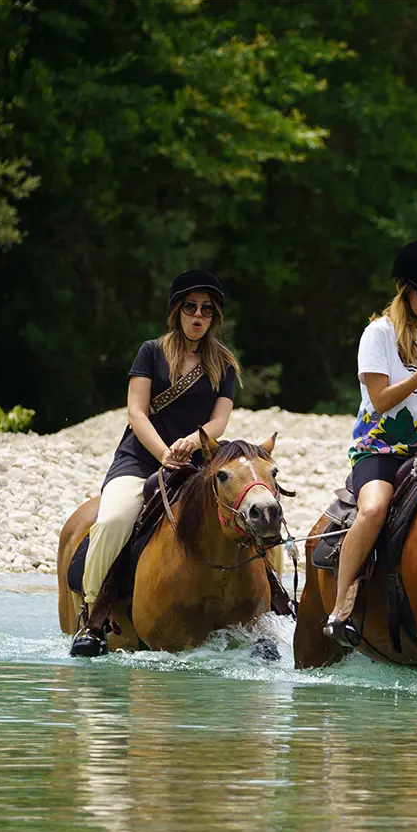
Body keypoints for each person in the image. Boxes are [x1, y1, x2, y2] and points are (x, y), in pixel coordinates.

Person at [71, 270, 240, 657]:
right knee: (113, 521)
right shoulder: (150, 352)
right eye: (190, 307)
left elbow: (220, 420)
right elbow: (136, 412)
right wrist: (164, 453)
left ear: (214, 317)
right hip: (140, 460)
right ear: (176, 311)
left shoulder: (225, 364)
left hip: (195, 465)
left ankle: (269, 606)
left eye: (207, 309)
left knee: (243, 515)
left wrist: (193, 442)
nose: (198, 315)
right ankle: (92, 616)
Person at [326, 238, 417, 644]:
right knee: (373, 510)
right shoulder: (378, 334)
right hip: (379, 449)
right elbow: (381, 399)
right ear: (404, 289)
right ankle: (340, 607)